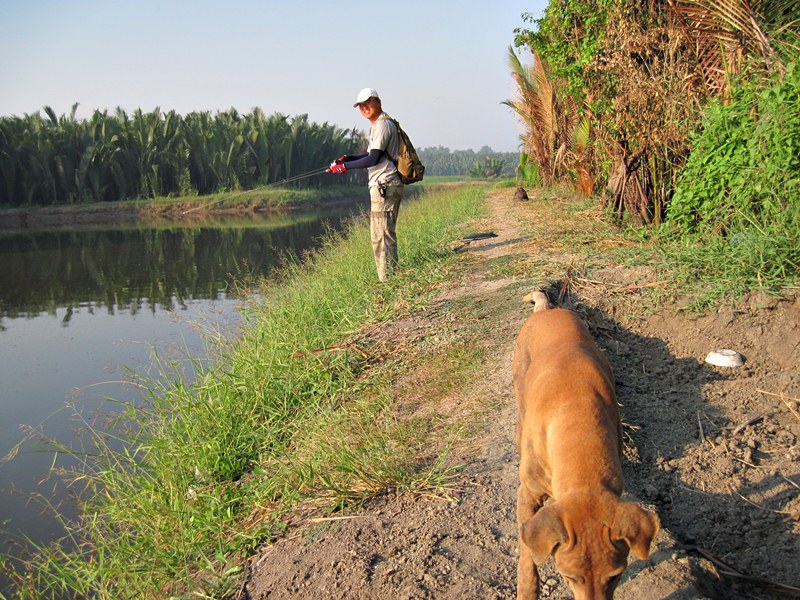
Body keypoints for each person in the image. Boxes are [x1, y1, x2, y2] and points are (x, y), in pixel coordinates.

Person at [328, 88, 404, 282]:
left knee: (381, 237)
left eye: (368, 103)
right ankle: (391, 278)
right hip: (385, 185)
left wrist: (344, 167)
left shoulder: (382, 125)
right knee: (382, 234)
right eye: (361, 105)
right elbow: (372, 155)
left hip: (384, 185)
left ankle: (388, 282)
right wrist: (348, 158)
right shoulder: (380, 124)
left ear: (378, 101)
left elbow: (373, 159)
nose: (364, 108)